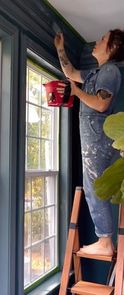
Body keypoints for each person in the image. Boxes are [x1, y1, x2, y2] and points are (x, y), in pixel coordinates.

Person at [54, 29, 124, 256]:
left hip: (97, 137)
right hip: (93, 135)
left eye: (102, 39)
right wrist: (60, 49)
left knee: (94, 186)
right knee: (92, 186)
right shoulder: (96, 73)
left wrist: (76, 92)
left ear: (112, 48)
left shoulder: (110, 70)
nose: (97, 40)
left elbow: (102, 104)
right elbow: (71, 72)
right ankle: (104, 240)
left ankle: (105, 241)